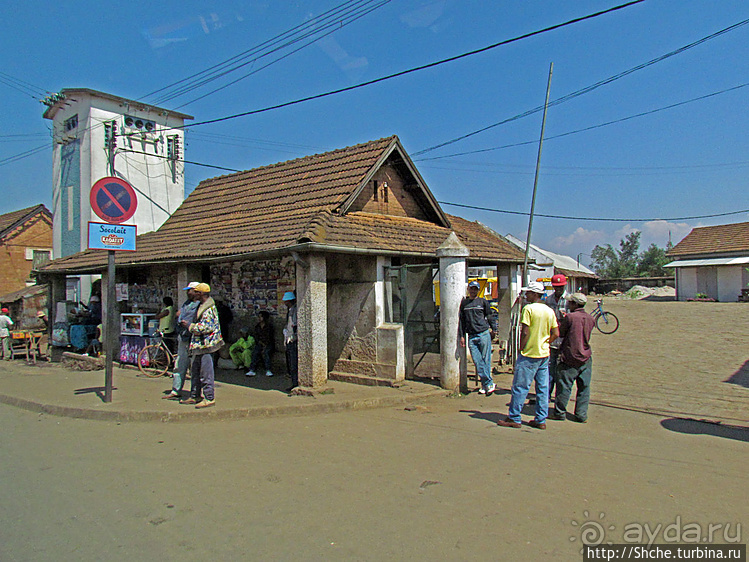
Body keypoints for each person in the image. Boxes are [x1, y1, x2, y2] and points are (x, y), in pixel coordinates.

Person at [498, 281, 559, 430]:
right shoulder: (549, 310)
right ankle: (540, 419)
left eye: (528, 293)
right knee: (543, 388)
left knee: (520, 387)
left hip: (529, 353)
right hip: (544, 354)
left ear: (534, 294)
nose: (526, 295)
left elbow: (524, 331)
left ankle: (514, 417)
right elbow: (556, 333)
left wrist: (521, 347)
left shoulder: (528, 309)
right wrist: (545, 342)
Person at [549, 293, 595, 423]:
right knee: (584, 388)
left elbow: (561, 333)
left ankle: (559, 413)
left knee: (564, 386)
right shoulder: (590, 318)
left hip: (569, 356)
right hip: (585, 356)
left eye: (570, 302)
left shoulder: (570, 317)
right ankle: (581, 414)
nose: (568, 304)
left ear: (574, 304)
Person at [180, 283, 224, 409]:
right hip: (199, 345)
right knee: (195, 371)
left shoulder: (209, 308)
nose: (193, 293)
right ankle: (195, 395)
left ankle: (209, 397)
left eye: (195, 292)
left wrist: (190, 326)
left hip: (206, 344)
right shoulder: (202, 305)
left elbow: (207, 327)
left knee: (206, 373)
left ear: (201, 294)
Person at [459, 280, 497, 395]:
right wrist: (461, 336)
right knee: (477, 361)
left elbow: (489, 315)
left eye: (475, 289)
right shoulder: (464, 304)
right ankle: (488, 383)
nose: (473, 291)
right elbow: (462, 321)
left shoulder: (483, 302)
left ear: (478, 290)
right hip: (471, 336)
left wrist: (494, 329)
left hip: (483, 333)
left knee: (486, 360)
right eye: (471, 289)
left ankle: (485, 384)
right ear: (468, 289)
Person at [163, 282, 199, 400]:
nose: (188, 292)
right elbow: (179, 314)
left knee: (195, 367)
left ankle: (195, 394)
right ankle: (176, 390)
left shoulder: (200, 305)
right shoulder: (187, 303)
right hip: (183, 337)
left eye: (190, 290)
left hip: (194, 338)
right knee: (179, 365)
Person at [544, 273, 570, 400]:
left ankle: (560, 397)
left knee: (563, 371)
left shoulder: (570, 300)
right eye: (556, 287)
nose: (558, 290)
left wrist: (566, 317)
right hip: (552, 339)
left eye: (560, 287)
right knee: (550, 369)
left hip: (565, 341)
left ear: (564, 286)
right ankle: (546, 395)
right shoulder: (548, 300)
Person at [245, 310, 275, 377]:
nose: (259, 318)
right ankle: (252, 369)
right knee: (255, 352)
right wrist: (260, 343)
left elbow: (269, 337)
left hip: (268, 344)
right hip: (260, 343)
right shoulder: (257, 326)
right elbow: (256, 336)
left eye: (260, 317)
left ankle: (268, 370)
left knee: (266, 353)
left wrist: (265, 344)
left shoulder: (269, 327)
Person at [282, 292, 298, 392]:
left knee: (294, 363)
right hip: (288, 338)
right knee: (290, 363)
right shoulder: (290, 310)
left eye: (286, 301)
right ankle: (293, 382)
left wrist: (293, 336)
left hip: (293, 340)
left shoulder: (295, 310)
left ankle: (295, 383)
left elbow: (295, 325)